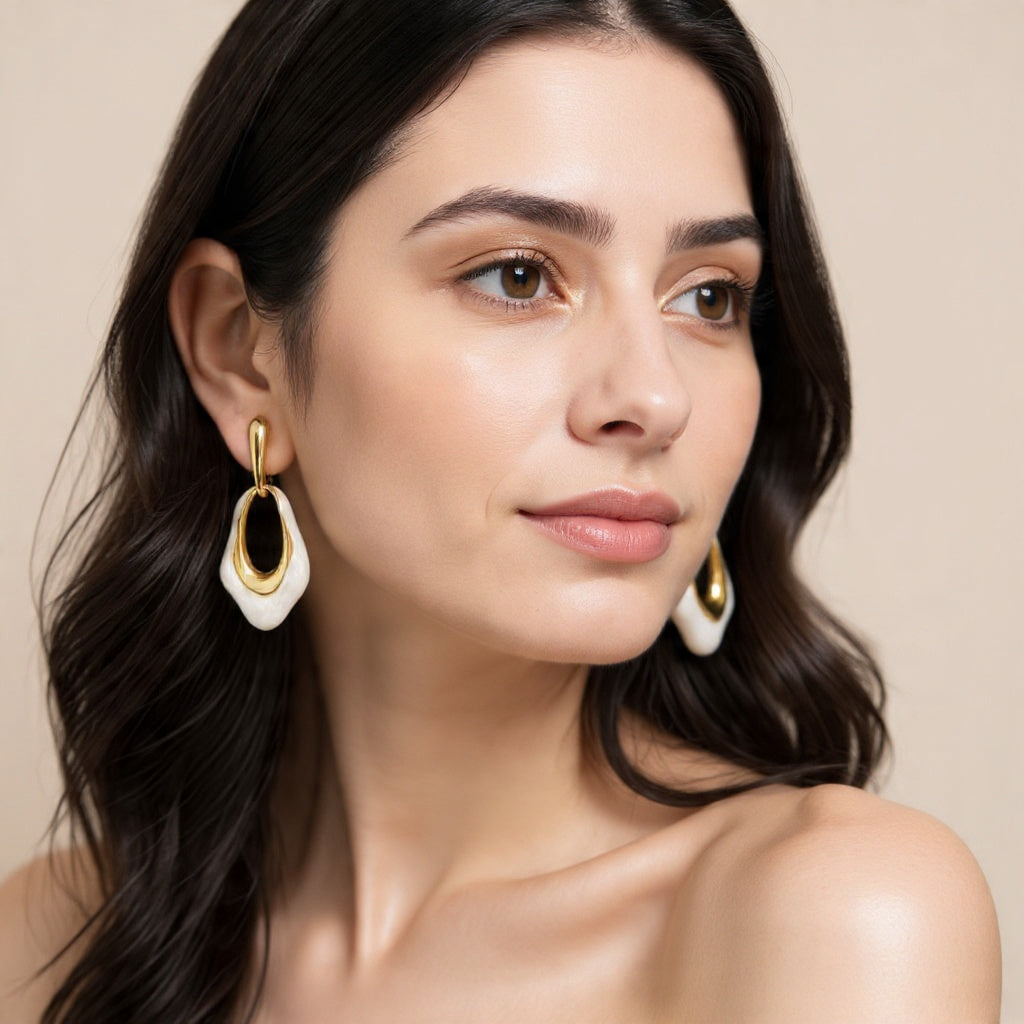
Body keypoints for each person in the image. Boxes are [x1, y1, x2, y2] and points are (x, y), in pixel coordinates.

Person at [0, 0, 1002, 1020]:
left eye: (708, 296)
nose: (654, 399)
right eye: (518, 276)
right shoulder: (46, 945)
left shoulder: (835, 915)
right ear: (236, 348)